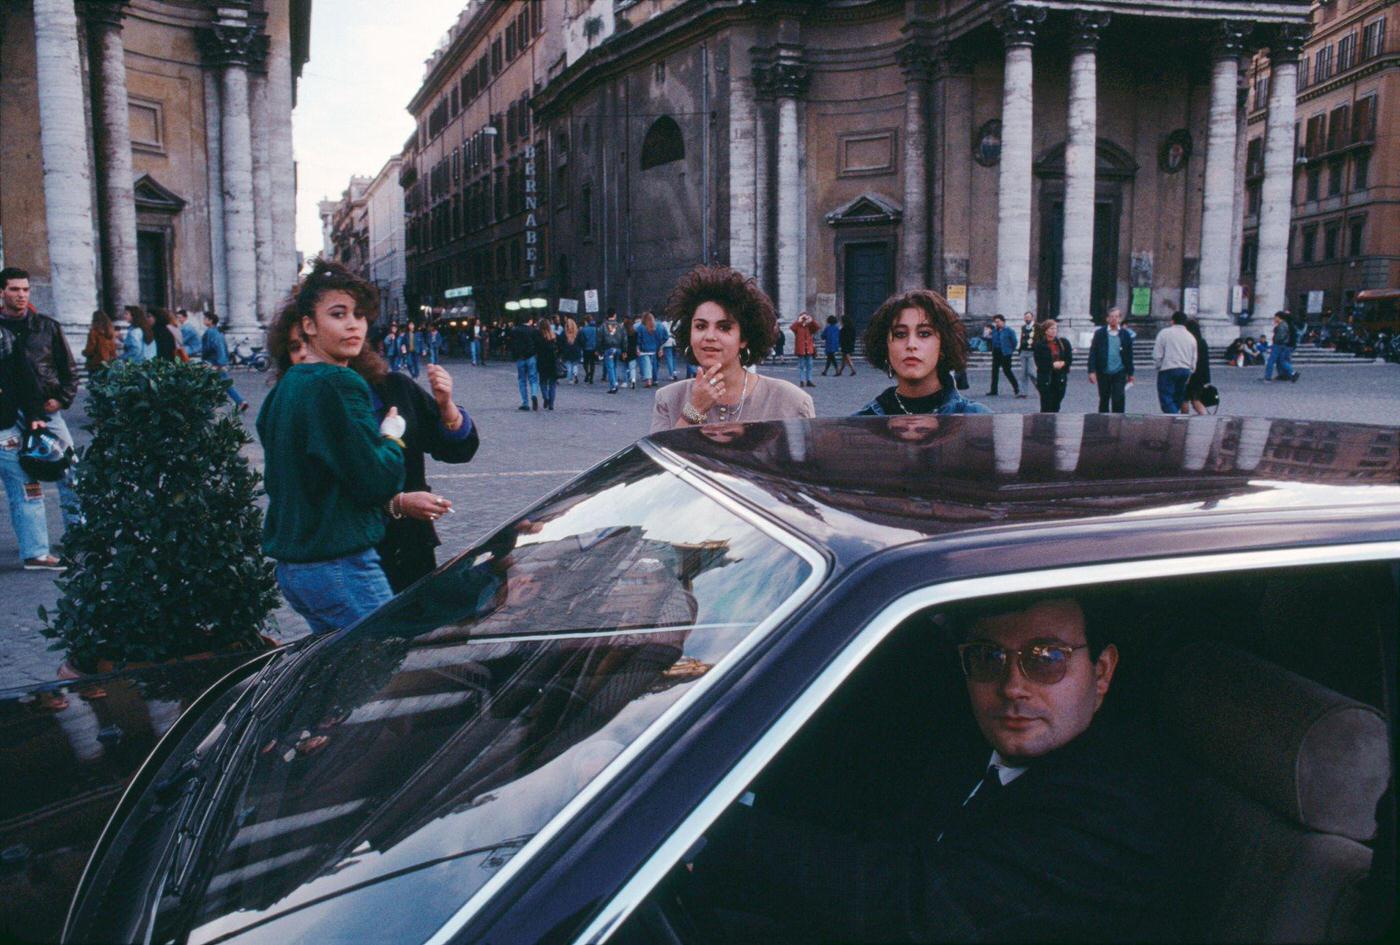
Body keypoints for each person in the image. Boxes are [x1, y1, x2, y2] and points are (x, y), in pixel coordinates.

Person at [690, 595, 1179, 943]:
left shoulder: (1118, 809)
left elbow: (925, 909)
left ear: (1102, 671)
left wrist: (715, 837)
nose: (1012, 686)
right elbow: (862, 821)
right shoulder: (965, 746)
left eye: (1045, 659)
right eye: (988, 659)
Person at [268, 305, 480, 594]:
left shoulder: (393, 388)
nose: (307, 354)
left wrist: (446, 407)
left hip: (408, 549)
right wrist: (398, 503)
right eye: (296, 347)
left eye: (311, 343)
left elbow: (458, 450)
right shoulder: (297, 410)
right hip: (343, 562)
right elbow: (319, 495)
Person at [255, 258, 405, 634]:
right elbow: (376, 479)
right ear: (309, 325)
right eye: (338, 314)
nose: (354, 324)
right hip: (340, 563)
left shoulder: (286, 387)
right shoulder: (339, 382)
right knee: (387, 668)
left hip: (298, 569)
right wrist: (392, 435)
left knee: (345, 677)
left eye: (360, 314)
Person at [651, 265, 814, 432]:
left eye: (724, 327)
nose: (709, 336)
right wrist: (694, 411)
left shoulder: (792, 402)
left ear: (744, 338)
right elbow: (657, 458)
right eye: (700, 326)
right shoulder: (668, 399)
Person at [1, 267, 81, 530]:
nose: (21, 295)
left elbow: (69, 369)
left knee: (69, 466)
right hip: (9, 413)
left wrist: (61, 400)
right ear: (2, 292)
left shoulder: (47, 326)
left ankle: (78, 528)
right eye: (14, 289)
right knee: (23, 480)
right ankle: (34, 545)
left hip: (46, 411)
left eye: (25, 289)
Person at [854, 289, 989, 416]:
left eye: (924, 333)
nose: (911, 345)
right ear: (885, 346)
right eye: (900, 334)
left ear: (943, 344)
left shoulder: (979, 419)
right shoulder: (860, 426)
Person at [1, 313, 60, 570]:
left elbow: (25, 378)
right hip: (6, 424)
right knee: (27, 490)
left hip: (6, 427)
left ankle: (36, 552)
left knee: (28, 488)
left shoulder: (6, 339)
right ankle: (36, 552)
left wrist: (35, 415)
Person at [1087, 306, 1135, 413]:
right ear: (1107, 318)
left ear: (1120, 319)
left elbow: (1129, 355)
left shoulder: (1125, 334)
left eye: (1116, 317)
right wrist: (1091, 371)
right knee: (1104, 398)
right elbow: (1093, 352)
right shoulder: (1100, 333)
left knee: (1118, 398)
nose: (1114, 319)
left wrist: (1131, 373)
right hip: (1103, 371)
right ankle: (1103, 423)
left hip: (1119, 371)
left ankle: (1117, 424)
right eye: (1111, 316)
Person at [199, 312, 248, 412]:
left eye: (205, 318)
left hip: (212, 363)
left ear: (210, 320)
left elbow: (216, 347)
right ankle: (241, 401)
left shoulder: (211, 332)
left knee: (205, 383)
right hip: (216, 362)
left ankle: (206, 407)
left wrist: (219, 364)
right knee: (225, 384)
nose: (203, 320)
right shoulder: (218, 331)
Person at [1152, 311, 1198, 414]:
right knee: (1178, 396)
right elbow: (1194, 358)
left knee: (1166, 396)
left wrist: (1158, 366)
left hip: (1168, 368)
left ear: (1172, 321)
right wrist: (1191, 370)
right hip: (1185, 369)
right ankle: (1174, 414)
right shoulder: (1191, 337)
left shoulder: (1164, 333)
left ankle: (1173, 417)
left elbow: (1157, 353)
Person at [1032, 318, 1072, 413]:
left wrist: (1064, 363)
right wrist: (1052, 365)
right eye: (1051, 329)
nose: (1054, 331)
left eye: (1055, 328)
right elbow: (1039, 362)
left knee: (1056, 405)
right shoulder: (1039, 345)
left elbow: (1069, 358)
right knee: (1046, 406)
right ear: (1045, 331)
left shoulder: (1063, 343)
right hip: (1046, 378)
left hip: (1060, 377)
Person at [509, 314, 542, 411]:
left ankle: (525, 402)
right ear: (529, 321)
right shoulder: (533, 331)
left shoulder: (514, 331)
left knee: (522, 380)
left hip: (520, 358)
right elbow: (537, 343)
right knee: (533, 379)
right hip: (531, 357)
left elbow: (512, 344)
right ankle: (534, 394)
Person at [1182, 318, 1212, 416]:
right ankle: (1205, 417)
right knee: (1196, 400)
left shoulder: (1187, 341)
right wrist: (1207, 379)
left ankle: (1183, 418)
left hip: (1188, 373)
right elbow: (1206, 362)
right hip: (1199, 375)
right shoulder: (1202, 342)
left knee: (1184, 399)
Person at [986, 314, 1021, 397]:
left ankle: (1016, 388)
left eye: (998, 322)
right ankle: (994, 390)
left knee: (1007, 371)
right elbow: (988, 338)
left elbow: (1014, 342)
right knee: (994, 371)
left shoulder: (1009, 330)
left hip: (1005, 353)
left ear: (1003, 321)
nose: (997, 323)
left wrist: (1010, 350)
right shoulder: (994, 330)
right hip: (996, 352)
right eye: (995, 322)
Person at [1264, 310, 1300, 383]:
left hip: (1278, 345)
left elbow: (1280, 336)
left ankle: (1268, 377)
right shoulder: (1285, 324)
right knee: (1281, 361)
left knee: (1271, 361)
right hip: (1283, 345)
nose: (1274, 319)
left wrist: (1275, 340)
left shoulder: (1282, 325)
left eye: (1275, 317)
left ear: (1278, 317)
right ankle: (1289, 373)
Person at [82, 310, 118, 375]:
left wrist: (84, 352)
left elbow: (91, 348)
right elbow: (113, 349)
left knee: (94, 383)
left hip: (95, 363)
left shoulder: (94, 332)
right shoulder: (110, 332)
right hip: (107, 363)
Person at [636, 311, 666, 388]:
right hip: (656, 348)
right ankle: (655, 379)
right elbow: (665, 337)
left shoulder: (640, 327)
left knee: (646, 365)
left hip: (644, 349)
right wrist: (661, 347)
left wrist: (638, 348)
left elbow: (637, 340)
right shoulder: (660, 326)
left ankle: (648, 380)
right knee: (655, 365)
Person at [536, 319, 560, 410]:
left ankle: (545, 397)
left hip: (542, 361)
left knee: (543, 382)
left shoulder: (539, 337)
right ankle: (551, 404)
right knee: (552, 384)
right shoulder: (554, 336)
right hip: (553, 362)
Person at [600, 309, 625, 393]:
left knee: (610, 367)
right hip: (618, 348)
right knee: (614, 366)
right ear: (614, 315)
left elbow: (599, 338)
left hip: (608, 348)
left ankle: (613, 385)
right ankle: (615, 382)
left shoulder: (603, 326)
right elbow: (624, 339)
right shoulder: (620, 326)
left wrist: (598, 350)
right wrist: (624, 350)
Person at [791, 311, 818, 388]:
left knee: (810, 365)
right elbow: (792, 327)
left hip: (809, 349)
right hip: (801, 349)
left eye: (805, 317)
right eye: (803, 318)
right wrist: (798, 321)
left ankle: (809, 380)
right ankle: (802, 380)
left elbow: (817, 327)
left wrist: (811, 320)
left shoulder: (810, 327)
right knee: (801, 366)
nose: (804, 319)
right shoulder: (797, 327)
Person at [1017, 311, 1037, 393]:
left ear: (1032, 317)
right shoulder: (1023, 327)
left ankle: (1042, 387)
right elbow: (1022, 339)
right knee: (1023, 373)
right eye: (1025, 317)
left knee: (1031, 372)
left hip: (1032, 352)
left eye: (1028, 317)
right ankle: (1022, 392)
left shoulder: (1037, 327)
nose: (1027, 319)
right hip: (1024, 351)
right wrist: (1020, 350)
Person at [560, 316, 583, 384]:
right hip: (576, 350)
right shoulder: (578, 332)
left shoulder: (564, 333)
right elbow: (581, 341)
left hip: (567, 350)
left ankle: (570, 379)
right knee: (575, 364)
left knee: (569, 365)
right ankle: (575, 375)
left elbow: (561, 342)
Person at [580, 314, 600, 383]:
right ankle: (591, 378)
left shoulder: (583, 329)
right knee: (592, 363)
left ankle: (587, 373)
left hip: (586, 348)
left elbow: (582, 340)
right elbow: (598, 339)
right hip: (594, 348)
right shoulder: (596, 329)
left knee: (585, 363)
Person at [624, 314, 640, 389]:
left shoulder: (623, 333)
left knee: (625, 367)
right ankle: (633, 380)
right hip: (633, 350)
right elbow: (637, 342)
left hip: (625, 350)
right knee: (632, 367)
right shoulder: (635, 333)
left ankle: (625, 381)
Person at [661, 313, 679, 380]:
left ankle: (671, 374)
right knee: (674, 358)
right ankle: (674, 371)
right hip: (674, 341)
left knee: (669, 358)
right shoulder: (675, 323)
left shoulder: (663, 324)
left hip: (667, 342)